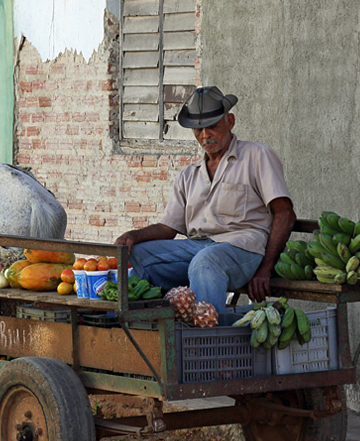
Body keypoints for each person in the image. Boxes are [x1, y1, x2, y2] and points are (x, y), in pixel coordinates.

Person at [115, 86, 296, 313]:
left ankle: (205, 337)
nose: (205, 135)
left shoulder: (257, 156)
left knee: (206, 261)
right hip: (197, 248)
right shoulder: (189, 175)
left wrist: (266, 269)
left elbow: (285, 213)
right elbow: (168, 227)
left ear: (229, 121)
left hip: (243, 249)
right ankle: (150, 327)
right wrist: (134, 236)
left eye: (212, 126)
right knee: (135, 256)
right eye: (198, 129)